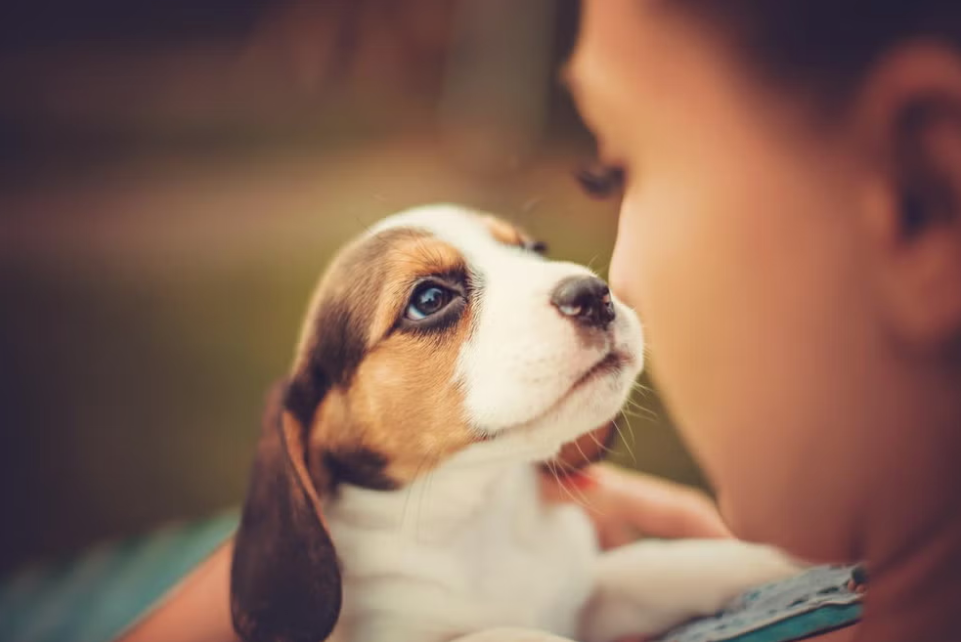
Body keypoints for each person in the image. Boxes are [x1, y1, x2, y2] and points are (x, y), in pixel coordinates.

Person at [123, 1, 961, 640]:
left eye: (528, 251)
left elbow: (594, 594)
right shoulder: (356, 583)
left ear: (925, 196)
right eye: (431, 301)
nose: (587, 280)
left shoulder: (555, 531)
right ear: (321, 430)